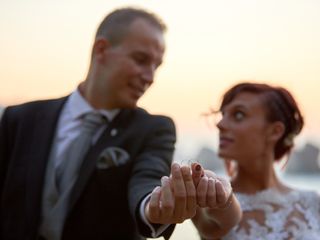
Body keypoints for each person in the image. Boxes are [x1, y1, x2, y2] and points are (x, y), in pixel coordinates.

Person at [0, 7, 181, 240]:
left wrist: (153, 206)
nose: (150, 77)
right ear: (101, 49)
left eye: (156, 66)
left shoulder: (154, 129)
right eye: (141, 60)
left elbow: (149, 178)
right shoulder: (19, 119)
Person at [210, 82, 320, 239]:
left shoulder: (313, 203)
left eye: (238, 115)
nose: (220, 124)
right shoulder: (213, 201)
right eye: (223, 115)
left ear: (275, 131)